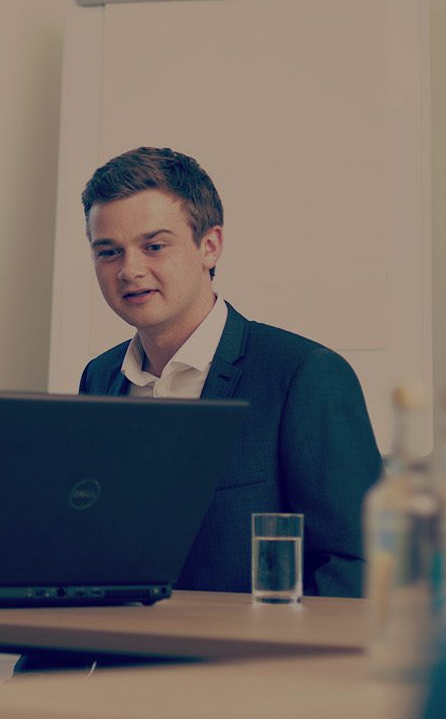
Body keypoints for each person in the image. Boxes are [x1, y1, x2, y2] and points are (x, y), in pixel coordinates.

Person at [79, 147, 377, 597]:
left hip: (246, 663)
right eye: (109, 252)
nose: (130, 270)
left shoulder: (304, 375)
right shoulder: (99, 378)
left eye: (154, 246)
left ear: (210, 245)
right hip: (115, 661)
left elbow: (357, 567)